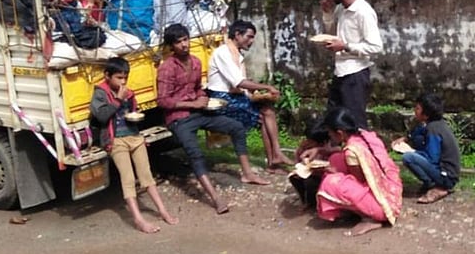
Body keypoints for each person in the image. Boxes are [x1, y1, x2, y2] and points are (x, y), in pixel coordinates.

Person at [156, 23, 269, 215]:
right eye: (178, 42)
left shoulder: (195, 62)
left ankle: (248, 173)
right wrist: (193, 104)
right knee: (195, 153)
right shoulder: (167, 68)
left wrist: (202, 97)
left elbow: (198, 88)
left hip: (199, 113)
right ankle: (216, 198)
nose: (184, 45)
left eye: (185, 40)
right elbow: (163, 101)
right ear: (171, 47)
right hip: (179, 118)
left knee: (236, 128)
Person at [90, 57, 177, 233]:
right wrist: (117, 100)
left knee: (146, 176)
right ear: (107, 76)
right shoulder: (100, 93)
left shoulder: (129, 93)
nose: (123, 82)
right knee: (128, 179)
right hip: (116, 141)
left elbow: (132, 114)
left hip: (134, 136)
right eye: (119, 78)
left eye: (125, 78)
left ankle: (163, 211)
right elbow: (101, 116)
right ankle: (138, 219)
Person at [206, 19, 293, 171]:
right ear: (237, 35)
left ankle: (275, 157)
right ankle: (274, 158)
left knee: (268, 110)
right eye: (249, 36)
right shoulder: (223, 53)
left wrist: (255, 90)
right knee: (264, 115)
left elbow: (240, 83)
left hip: (233, 96)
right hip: (221, 100)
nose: (251, 41)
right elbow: (239, 82)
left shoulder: (236, 54)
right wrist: (266, 86)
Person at [313, 107, 402, 237]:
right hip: (392, 187)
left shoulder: (352, 151)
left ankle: (370, 216)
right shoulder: (364, 135)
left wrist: (331, 171)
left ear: (340, 133)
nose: (330, 136)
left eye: (331, 133)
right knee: (335, 158)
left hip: (382, 205)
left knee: (330, 183)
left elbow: (358, 180)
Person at [318, 0, 383, 129]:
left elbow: (375, 46)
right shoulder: (341, 9)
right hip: (340, 70)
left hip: (356, 73)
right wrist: (327, 14)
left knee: (355, 122)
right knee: (333, 119)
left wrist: (345, 46)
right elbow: (335, 35)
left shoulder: (363, 12)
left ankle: (363, 153)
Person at [394, 93, 461, 204]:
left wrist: (411, 151)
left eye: (418, 108)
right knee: (418, 140)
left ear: (426, 114)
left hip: (447, 176)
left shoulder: (433, 130)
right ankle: (432, 183)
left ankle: (435, 185)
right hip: (446, 171)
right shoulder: (435, 124)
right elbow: (417, 132)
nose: (415, 110)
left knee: (408, 157)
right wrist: (405, 138)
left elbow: (432, 159)